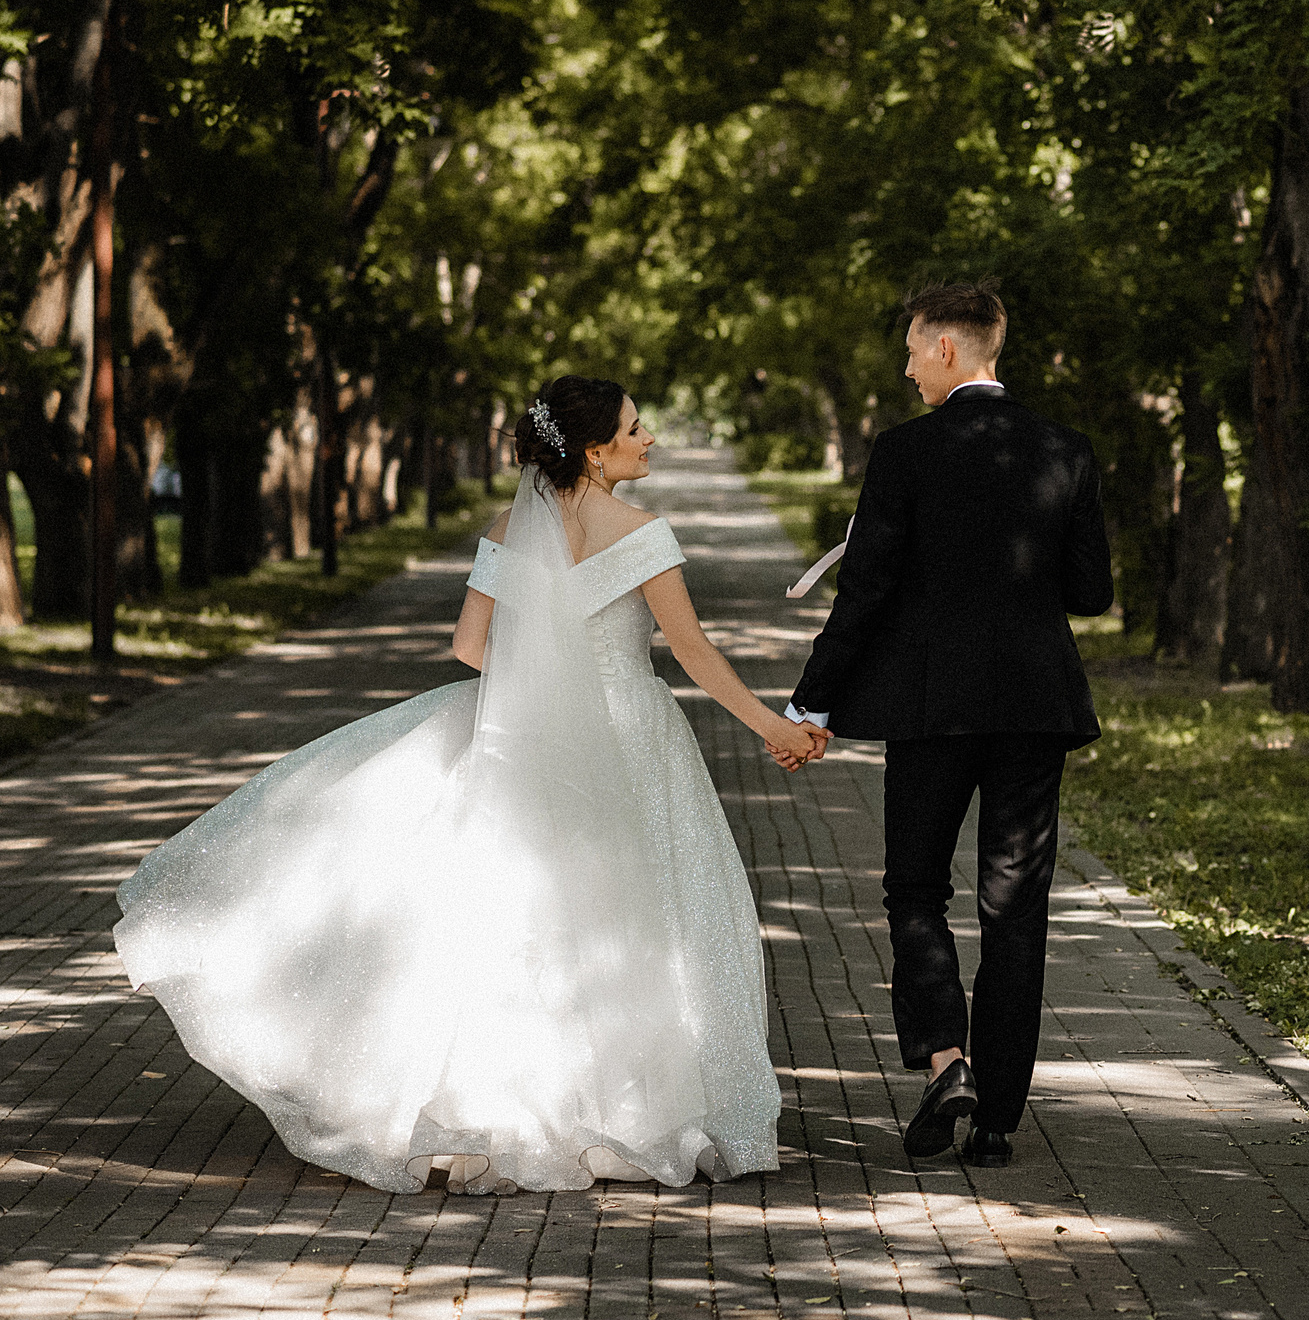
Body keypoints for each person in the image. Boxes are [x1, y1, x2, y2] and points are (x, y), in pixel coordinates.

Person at [113, 376, 828, 1195]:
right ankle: (630, 1111)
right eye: (637, 427)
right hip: (630, 731)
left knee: (522, 910)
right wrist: (775, 728)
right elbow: (696, 656)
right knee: (634, 910)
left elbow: (468, 643)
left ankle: (500, 1107)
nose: (650, 438)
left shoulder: (508, 528)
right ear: (596, 451)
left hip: (525, 735)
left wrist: (542, 694)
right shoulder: (640, 532)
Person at [785, 282, 1112, 1169]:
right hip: (1036, 706)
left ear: (946, 351)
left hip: (929, 708)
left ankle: (946, 1060)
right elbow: (1091, 592)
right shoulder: (1065, 450)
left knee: (915, 889)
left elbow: (867, 593)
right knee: (1016, 907)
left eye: (910, 350)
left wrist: (810, 700)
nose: (905, 367)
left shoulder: (904, 453)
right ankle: (997, 1117)